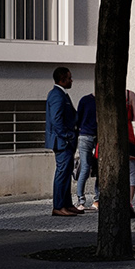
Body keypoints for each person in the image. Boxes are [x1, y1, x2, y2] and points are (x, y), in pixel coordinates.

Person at [46, 67, 79, 217]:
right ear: (62, 79)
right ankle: (59, 206)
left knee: (66, 173)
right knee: (62, 173)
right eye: (69, 78)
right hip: (62, 142)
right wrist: (68, 136)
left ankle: (66, 204)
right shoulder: (57, 95)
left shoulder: (61, 94)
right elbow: (56, 120)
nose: (71, 80)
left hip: (65, 141)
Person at [71, 85, 100, 210]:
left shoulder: (84, 100)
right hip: (98, 137)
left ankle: (81, 201)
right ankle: (97, 200)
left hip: (84, 136)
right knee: (99, 170)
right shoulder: (104, 101)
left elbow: (77, 119)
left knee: (84, 168)